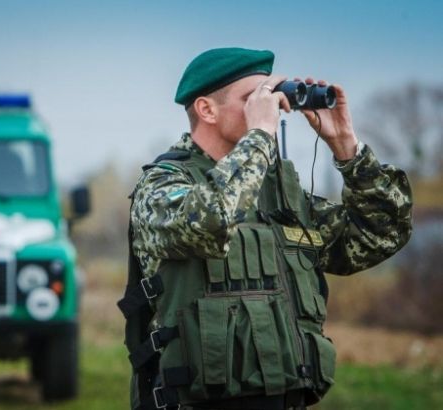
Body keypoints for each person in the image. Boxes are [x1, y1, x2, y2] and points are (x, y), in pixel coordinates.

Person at [118, 47, 413, 410]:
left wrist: (346, 148)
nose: (270, 108)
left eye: (270, 97)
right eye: (252, 99)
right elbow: (211, 220)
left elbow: (381, 234)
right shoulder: (163, 185)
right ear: (206, 109)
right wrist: (258, 134)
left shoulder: (279, 196)